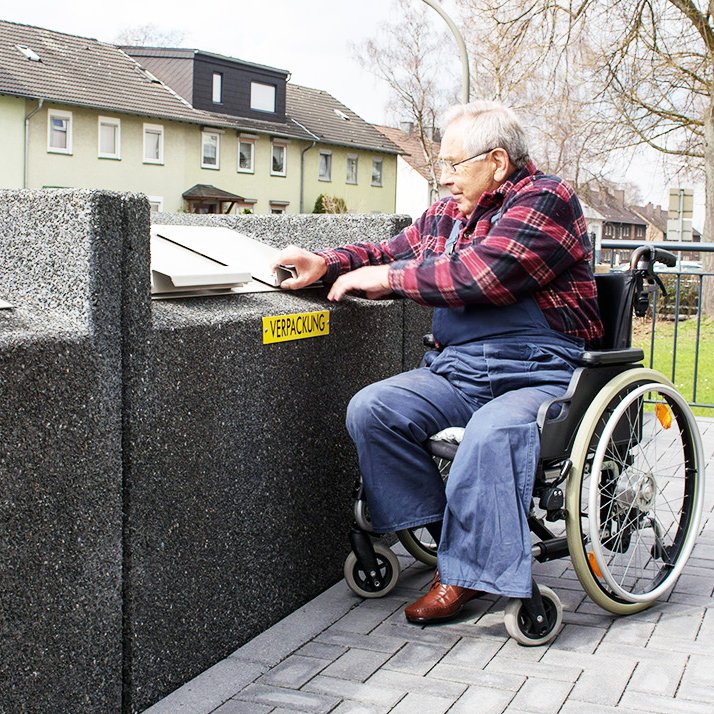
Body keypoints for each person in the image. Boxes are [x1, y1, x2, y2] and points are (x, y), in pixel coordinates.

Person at [273, 100, 602, 624]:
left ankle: (466, 573)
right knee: (374, 409)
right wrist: (329, 263)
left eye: (453, 165)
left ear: (496, 161)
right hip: (462, 369)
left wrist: (389, 280)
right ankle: (454, 535)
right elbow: (390, 251)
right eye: (440, 166)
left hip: (540, 370)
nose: (443, 178)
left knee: (492, 434)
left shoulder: (546, 199)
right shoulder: (447, 214)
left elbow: (485, 274)